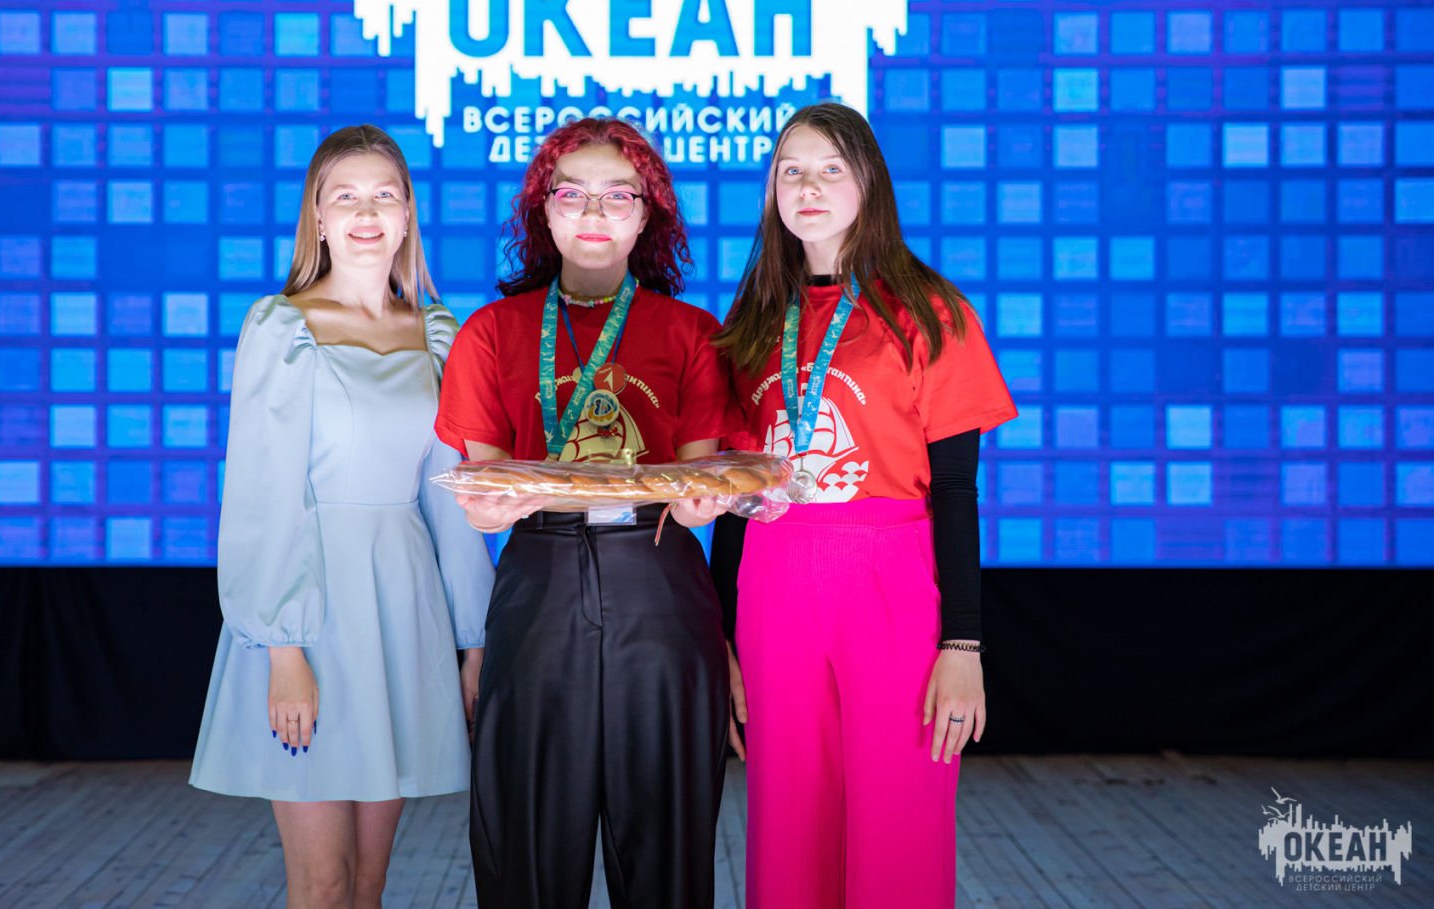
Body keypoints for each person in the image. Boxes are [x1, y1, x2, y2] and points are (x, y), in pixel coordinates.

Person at [713, 102, 1018, 909]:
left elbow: (956, 489)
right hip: (774, 592)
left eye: (830, 169)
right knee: (788, 827)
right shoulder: (752, 321)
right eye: (791, 171)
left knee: (898, 823)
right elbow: (738, 499)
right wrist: (723, 641)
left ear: (870, 183)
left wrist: (964, 644)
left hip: (891, 590)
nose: (808, 187)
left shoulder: (931, 311)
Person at [434, 117, 741, 909]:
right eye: (572, 195)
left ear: (648, 214)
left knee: (667, 850)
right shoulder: (491, 333)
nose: (595, 213)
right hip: (539, 586)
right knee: (529, 849)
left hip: (661, 585)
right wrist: (507, 500)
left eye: (618, 196)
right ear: (543, 209)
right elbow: (486, 496)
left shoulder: (693, 334)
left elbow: (694, 487)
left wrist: (703, 498)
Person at [191, 125, 495, 909]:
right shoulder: (281, 328)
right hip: (310, 617)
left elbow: (450, 498)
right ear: (318, 217)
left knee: (367, 883)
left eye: (384, 195)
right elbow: (261, 494)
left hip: (402, 615)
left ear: (407, 215)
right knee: (322, 884)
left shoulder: (437, 334)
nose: (366, 212)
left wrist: (474, 639)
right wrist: (283, 648)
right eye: (346, 196)